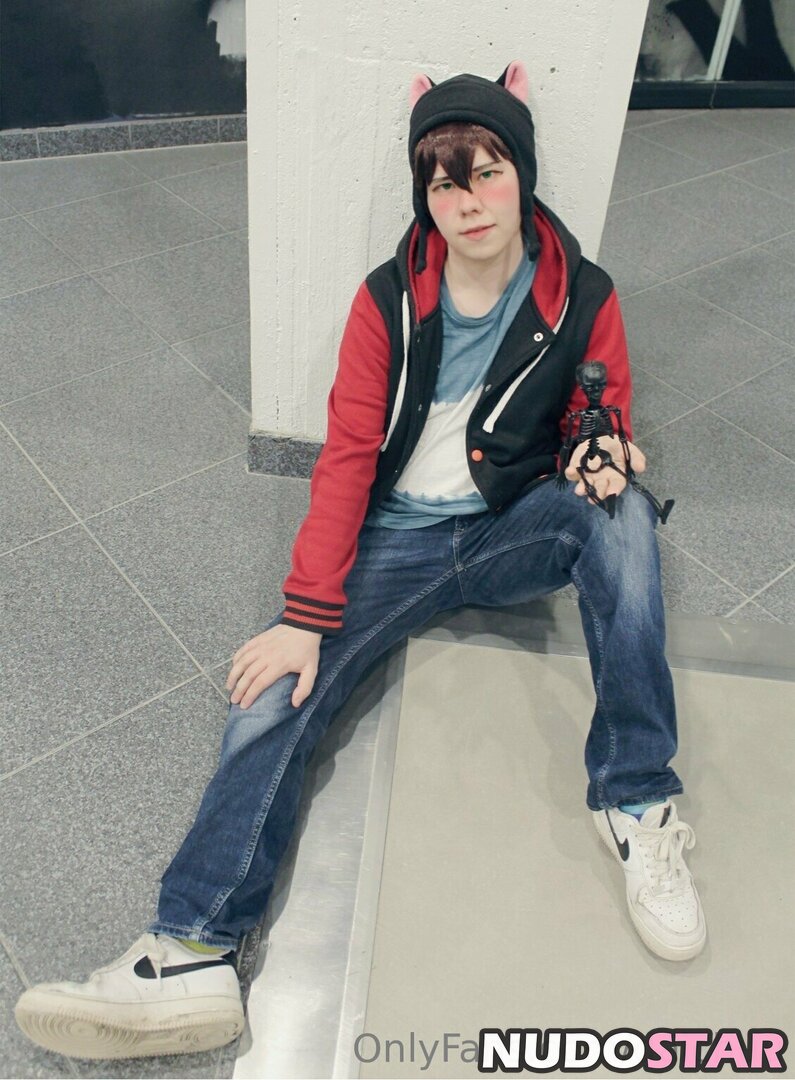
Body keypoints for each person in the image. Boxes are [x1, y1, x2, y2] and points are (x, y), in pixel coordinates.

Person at [15, 60, 706, 1063]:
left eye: (487, 172)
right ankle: (192, 951)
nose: (468, 202)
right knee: (272, 694)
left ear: (522, 173)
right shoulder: (388, 301)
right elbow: (344, 457)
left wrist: (597, 455)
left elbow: (598, 414)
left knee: (626, 516)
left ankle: (636, 799)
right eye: (444, 182)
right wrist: (304, 615)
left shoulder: (583, 295)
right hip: (398, 537)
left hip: (513, 525)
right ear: (425, 195)